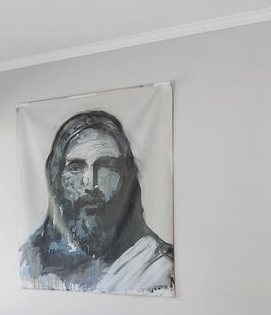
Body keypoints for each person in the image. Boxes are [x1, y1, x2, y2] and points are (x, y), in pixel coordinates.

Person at [19, 109, 174, 294]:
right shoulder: (30, 260)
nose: (90, 184)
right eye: (75, 168)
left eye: (106, 166)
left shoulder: (157, 267)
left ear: (126, 178)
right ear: (57, 180)